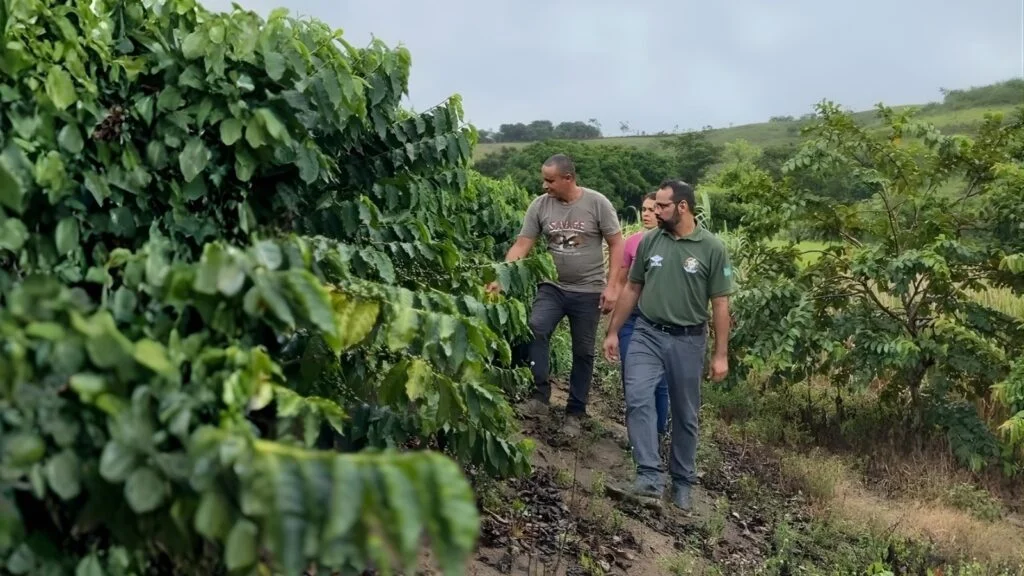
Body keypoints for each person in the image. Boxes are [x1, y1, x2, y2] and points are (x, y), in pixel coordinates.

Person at [602, 179, 734, 511]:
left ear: (682, 207)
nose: (655, 211)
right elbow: (632, 288)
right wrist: (613, 331)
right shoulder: (649, 242)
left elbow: (720, 304)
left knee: (685, 413)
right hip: (647, 332)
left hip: (688, 340)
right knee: (638, 398)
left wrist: (720, 355)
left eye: (661, 206)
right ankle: (648, 477)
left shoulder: (711, 248)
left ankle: (682, 482)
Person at [488, 154, 624, 437]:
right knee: (536, 328)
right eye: (544, 179)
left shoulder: (597, 203)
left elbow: (616, 244)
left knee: (583, 350)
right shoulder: (540, 206)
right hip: (552, 285)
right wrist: (501, 276)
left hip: (588, 289)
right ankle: (540, 396)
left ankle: (575, 410)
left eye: (550, 180)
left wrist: (612, 287)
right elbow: (523, 244)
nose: (544, 185)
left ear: (568, 179)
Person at [616, 192, 669, 438]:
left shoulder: (673, 244)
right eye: (644, 209)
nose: (646, 214)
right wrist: (612, 327)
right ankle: (638, 435)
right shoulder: (632, 242)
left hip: (660, 318)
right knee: (633, 377)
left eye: (651, 209)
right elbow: (622, 283)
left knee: (659, 382)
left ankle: (657, 433)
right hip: (632, 316)